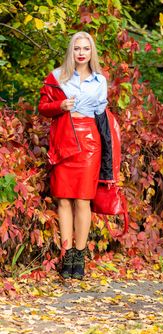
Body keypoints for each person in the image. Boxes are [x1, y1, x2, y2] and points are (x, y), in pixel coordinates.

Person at [38, 31, 109, 280]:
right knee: (64, 199)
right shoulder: (57, 76)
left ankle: (80, 257)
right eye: (77, 48)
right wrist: (59, 106)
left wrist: (109, 161)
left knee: (82, 200)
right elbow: (42, 107)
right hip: (63, 140)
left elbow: (103, 121)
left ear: (92, 52)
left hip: (89, 143)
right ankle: (66, 255)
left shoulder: (100, 81)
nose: (81, 52)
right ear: (71, 51)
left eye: (86, 49)